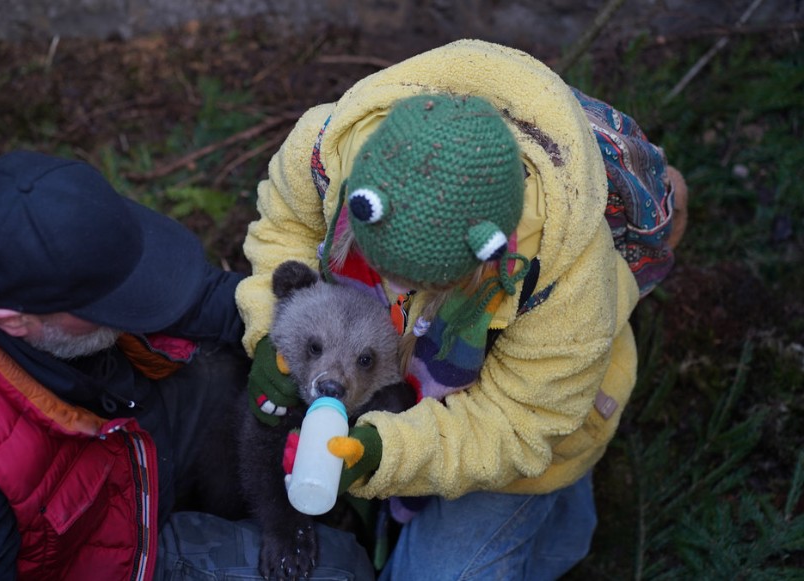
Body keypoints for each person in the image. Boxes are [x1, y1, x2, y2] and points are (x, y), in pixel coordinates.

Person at [238, 39, 688, 580]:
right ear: (361, 194)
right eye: (377, 263)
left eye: (424, 284)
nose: (390, 292)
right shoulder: (328, 148)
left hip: (529, 419)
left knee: (479, 556)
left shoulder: (568, 288)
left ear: (491, 250)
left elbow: (518, 425)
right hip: (389, 370)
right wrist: (274, 331)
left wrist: (385, 455)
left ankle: (557, 515)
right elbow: (283, 228)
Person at [0, 150, 376, 580]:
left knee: (226, 368)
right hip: (72, 549)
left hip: (101, 430)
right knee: (340, 568)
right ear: (17, 322)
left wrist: (289, 326)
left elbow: (199, 300)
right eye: (114, 303)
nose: (145, 306)